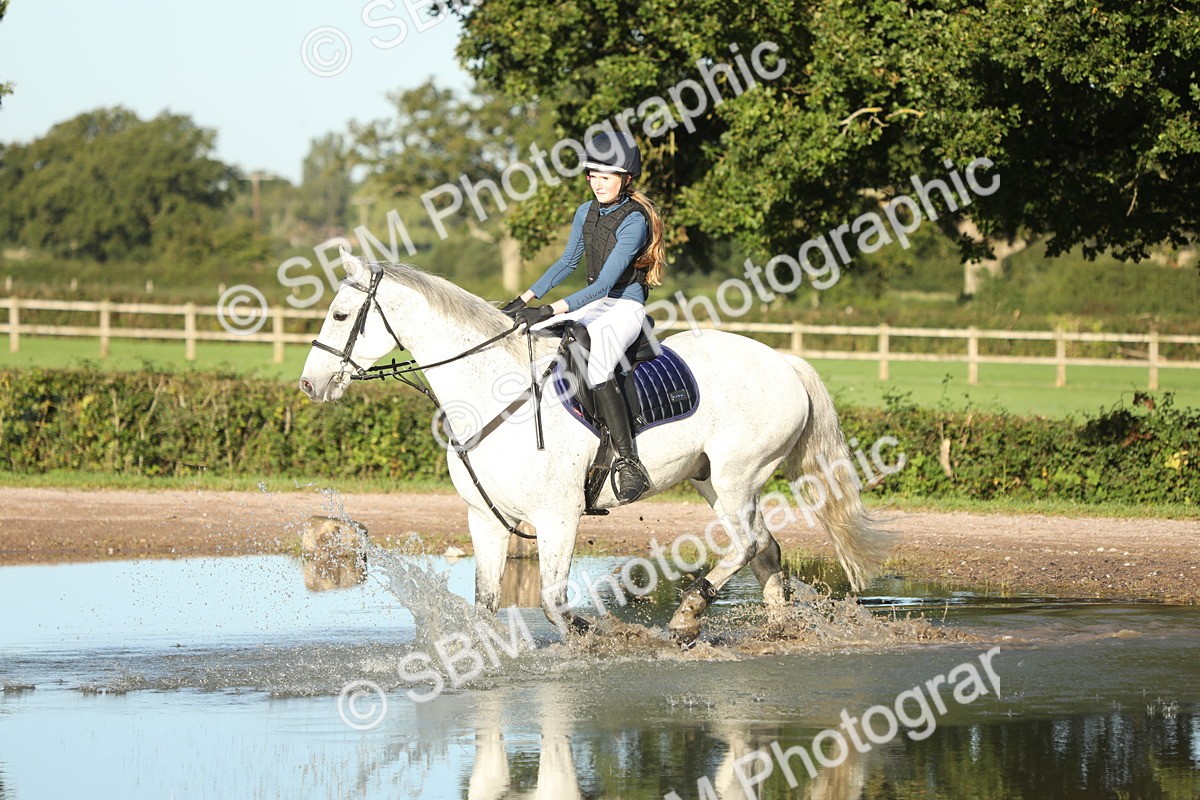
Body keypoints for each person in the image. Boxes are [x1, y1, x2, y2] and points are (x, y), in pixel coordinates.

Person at [501, 131, 667, 504]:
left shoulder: (635, 221)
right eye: (592, 175)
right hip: (596, 302)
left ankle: (629, 462)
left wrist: (548, 310)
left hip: (624, 304)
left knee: (598, 366)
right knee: (532, 338)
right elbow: (567, 262)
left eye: (606, 177)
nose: (597, 183)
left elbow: (605, 284)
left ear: (626, 179)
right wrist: (522, 300)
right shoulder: (585, 211)